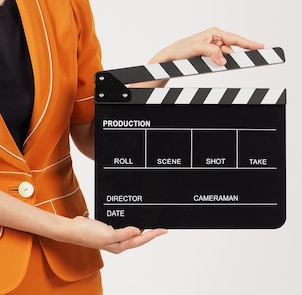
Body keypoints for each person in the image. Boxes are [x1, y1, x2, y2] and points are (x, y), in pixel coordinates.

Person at [0, 0, 264, 293]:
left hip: (65, 270)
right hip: (65, 238)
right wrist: (66, 229)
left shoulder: (64, 5)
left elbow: (94, 137)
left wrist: (163, 65)